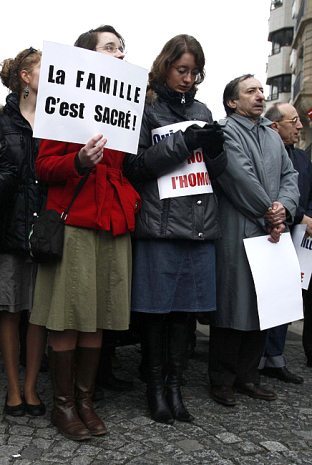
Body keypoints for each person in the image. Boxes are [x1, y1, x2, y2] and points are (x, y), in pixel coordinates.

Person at [29, 25, 140, 441]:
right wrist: (78, 160)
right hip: (75, 220)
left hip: (112, 221)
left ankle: (85, 400)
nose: (120, 54)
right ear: (87, 58)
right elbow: (43, 168)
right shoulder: (61, 106)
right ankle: (63, 406)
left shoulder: (125, 111)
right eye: (110, 47)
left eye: (122, 48)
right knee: (66, 316)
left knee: (97, 316)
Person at [124, 34, 226, 424]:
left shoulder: (202, 107)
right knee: (156, 312)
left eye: (194, 71)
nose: (188, 78)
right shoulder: (145, 106)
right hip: (160, 224)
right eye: (181, 70)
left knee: (185, 313)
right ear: (164, 65)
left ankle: (175, 386)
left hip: (199, 225)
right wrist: (182, 143)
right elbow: (135, 168)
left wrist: (216, 151)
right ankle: (154, 387)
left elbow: (216, 173)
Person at [208, 74, 300, 407]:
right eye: (251, 91)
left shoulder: (272, 136)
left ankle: (249, 376)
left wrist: (284, 207)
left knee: (264, 305)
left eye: (261, 90)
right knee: (233, 306)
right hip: (237, 231)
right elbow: (239, 178)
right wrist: (270, 213)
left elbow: (291, 176)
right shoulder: (225, 132)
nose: (260, 95)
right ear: (232, 102)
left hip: (270, 234)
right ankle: (222, 380)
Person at [0, 47, 47, 417]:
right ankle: (13, 389)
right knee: (11, 311)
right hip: (9, 230)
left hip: (45, 231)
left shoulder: (57, 122)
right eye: (45, 69)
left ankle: (31, 387)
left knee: (37, 313)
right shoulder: (3, 123)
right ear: (26, 78)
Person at [258, 102, 307, 384]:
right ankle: (256, 359)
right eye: (294, 121)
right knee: (263, 298)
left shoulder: (300, 159)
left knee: (285, 298)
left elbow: (303, 191)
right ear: (275, 126)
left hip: (294, 235)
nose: (300, 127)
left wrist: (305, 215)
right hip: (265, 231)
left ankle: (275, 358)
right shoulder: (263, 152)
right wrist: (294, 214)